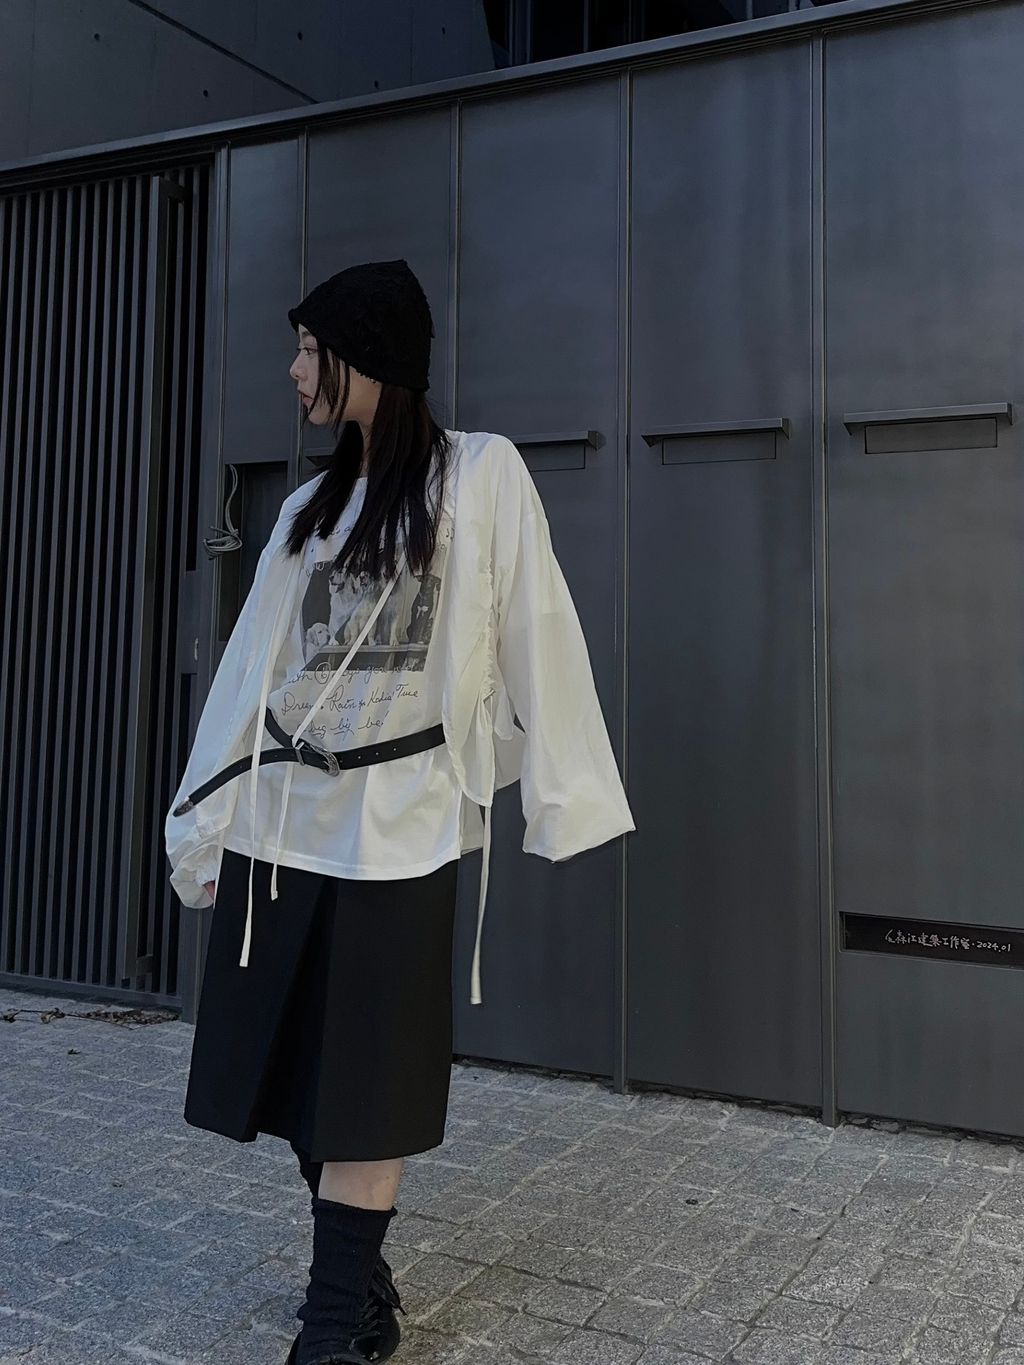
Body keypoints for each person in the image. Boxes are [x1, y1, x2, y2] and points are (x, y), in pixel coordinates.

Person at [164, 258, 635, 1365]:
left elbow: (539, 627)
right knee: (291, 1071)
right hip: (283, 825)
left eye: (309, 349)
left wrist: (562, 793)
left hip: (401, 831)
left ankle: (331, 1326)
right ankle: (362, 1287)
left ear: (366, 355)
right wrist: (204, 815)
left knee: (366, 1087)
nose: (294, 372)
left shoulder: (479, 475)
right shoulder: (306, 510)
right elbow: (251, 671)